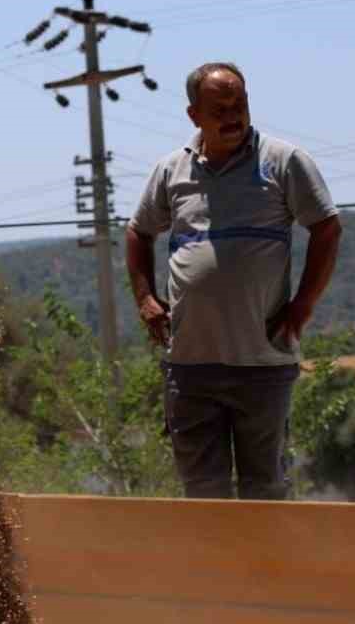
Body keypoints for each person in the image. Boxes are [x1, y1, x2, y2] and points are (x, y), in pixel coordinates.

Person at [124, 62, 342, 499]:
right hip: (189, 367)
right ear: (194, 116)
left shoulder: (282, 162)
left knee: (265, 489)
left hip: (261, 364)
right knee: (203, 491)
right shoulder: (171, 171)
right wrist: (145, 297)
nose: (233, 116)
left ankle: (266, 569)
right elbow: (137, 232)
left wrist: (303, 305)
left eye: (239, 104)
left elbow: (327, 227)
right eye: (220, 107)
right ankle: (211, 570)